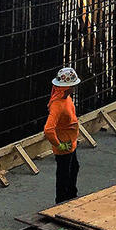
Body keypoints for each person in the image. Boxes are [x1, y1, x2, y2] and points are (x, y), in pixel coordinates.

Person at [45, 66, 81, 204]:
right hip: (64, 145)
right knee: (63, 176)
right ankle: (61, 202)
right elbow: (48, 129)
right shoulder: (57, 105)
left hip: (70, 142)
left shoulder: (66, 98)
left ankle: (71, 197)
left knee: (74, 168)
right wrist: (58, 144)